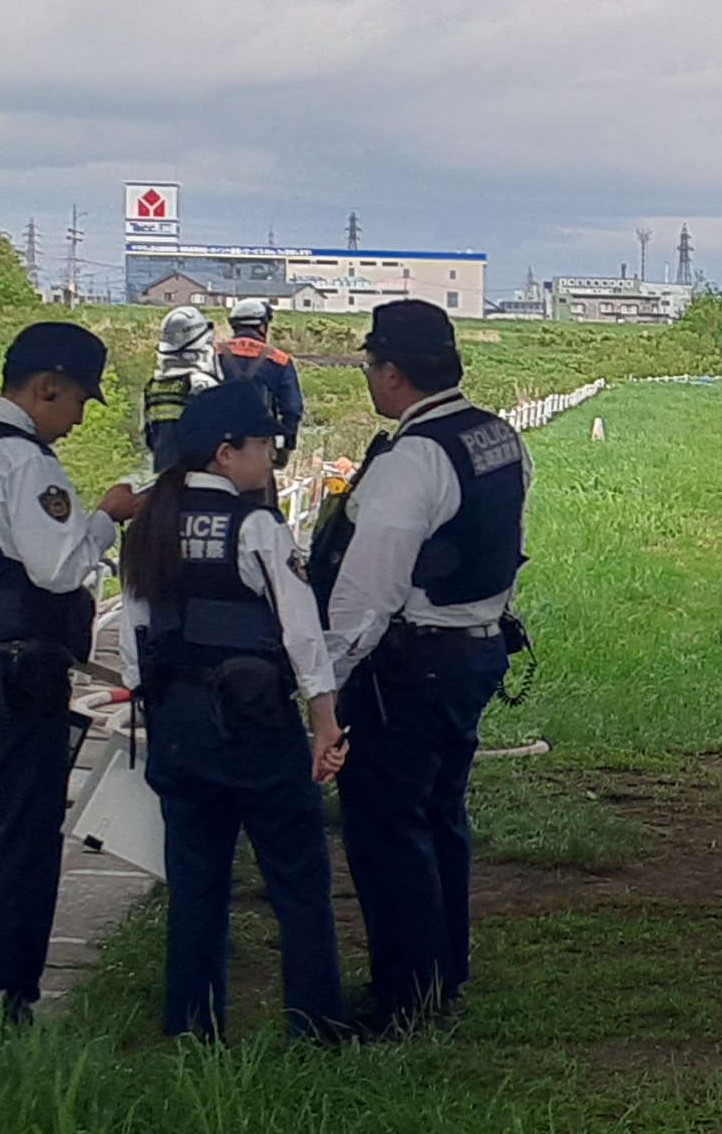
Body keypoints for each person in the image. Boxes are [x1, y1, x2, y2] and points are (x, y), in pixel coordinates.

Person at [0, 320, 142, 1037]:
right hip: (13, 674)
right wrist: (105, 519)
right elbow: (61, 567)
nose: (75, 420)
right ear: (45, 387)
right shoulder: (24, 461)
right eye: (76, 402)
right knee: (21, 846)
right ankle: (4, 1008)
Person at [309, 299, 527, 1033]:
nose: (370, 380)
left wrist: (325, 687)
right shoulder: (497, 436)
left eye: (371, 366)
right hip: (475, 648)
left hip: (412, 664)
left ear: (393, 373)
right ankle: (444, 973)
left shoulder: (413, 462)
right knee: (439, 813)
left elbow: (368, 593)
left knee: (386, 830)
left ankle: (405, 1000)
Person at [120, 382, 348, 1040]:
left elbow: (137, 638)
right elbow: (303, 635)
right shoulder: (256, 529)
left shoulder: (151, 523)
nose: (272, 464)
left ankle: (191, 1029)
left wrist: (155, 714)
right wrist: (324, 719)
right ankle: (315, 1026)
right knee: (298, 881)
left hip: (178, 730)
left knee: (195, 887)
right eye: (265, 450)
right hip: (255, 731)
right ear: (226, 454)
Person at [212, 297, 305, 464]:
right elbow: (292, 409)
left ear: (234, 325)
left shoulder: (214, 353)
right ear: (263, 326)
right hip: (259, 445)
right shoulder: (280, 360)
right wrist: (285, 444)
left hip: (218, 444)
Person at [142, 305, 220, 473]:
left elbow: (150, 438)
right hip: (196, 479)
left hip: (163, 478)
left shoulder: (153, 386)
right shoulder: (202, 385)